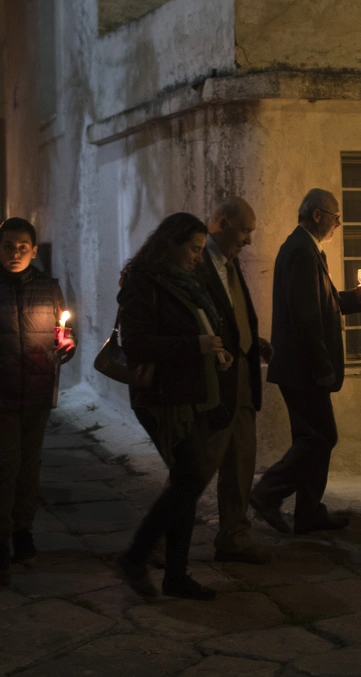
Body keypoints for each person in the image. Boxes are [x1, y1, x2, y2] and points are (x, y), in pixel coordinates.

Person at [115, 212, 233, 601]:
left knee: (189, 480)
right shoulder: (142, 283)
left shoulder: (187, 280)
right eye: (194, 248)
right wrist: (193, 346)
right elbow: (136, 344)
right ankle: (137, 555)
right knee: (190, 476)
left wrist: (215, 351)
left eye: (201, 249)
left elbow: (199, 325)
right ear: (171, 243)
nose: (199, 257)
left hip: (192, 391)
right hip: (164, 398)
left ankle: (176, 575)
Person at [250, 189, 361, 535]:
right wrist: (321, 364)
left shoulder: (306, 250)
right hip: (302, 367)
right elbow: (305, 317)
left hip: (302, 366)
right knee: (319, 438)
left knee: (315, 437)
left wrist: (351, 299)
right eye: (335, 217)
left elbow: (321, 302)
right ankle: (267, 493)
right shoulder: (300, 251)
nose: (337, 224)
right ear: (317, 215)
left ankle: (309, 512)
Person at [0, 218, 76, 584]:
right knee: (2, 465)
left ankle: (23, 532)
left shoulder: (48, 288)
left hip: (37, 391)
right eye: (8, 246)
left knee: (29, 466)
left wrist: (66, 346)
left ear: (34, 250)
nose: (14, 253)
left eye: (22, 247)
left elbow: (62, 333)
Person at [196, 198, 274, 564]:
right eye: (244, 230)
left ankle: (234, 534)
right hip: (214, 377)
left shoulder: (230, 262)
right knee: (201, 459)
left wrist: (252, 341)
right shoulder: (197, 261)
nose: (248, 240)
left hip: (242, 373)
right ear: (224, 223)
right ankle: (162, 535)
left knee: (242, 457)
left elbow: (233, 312)